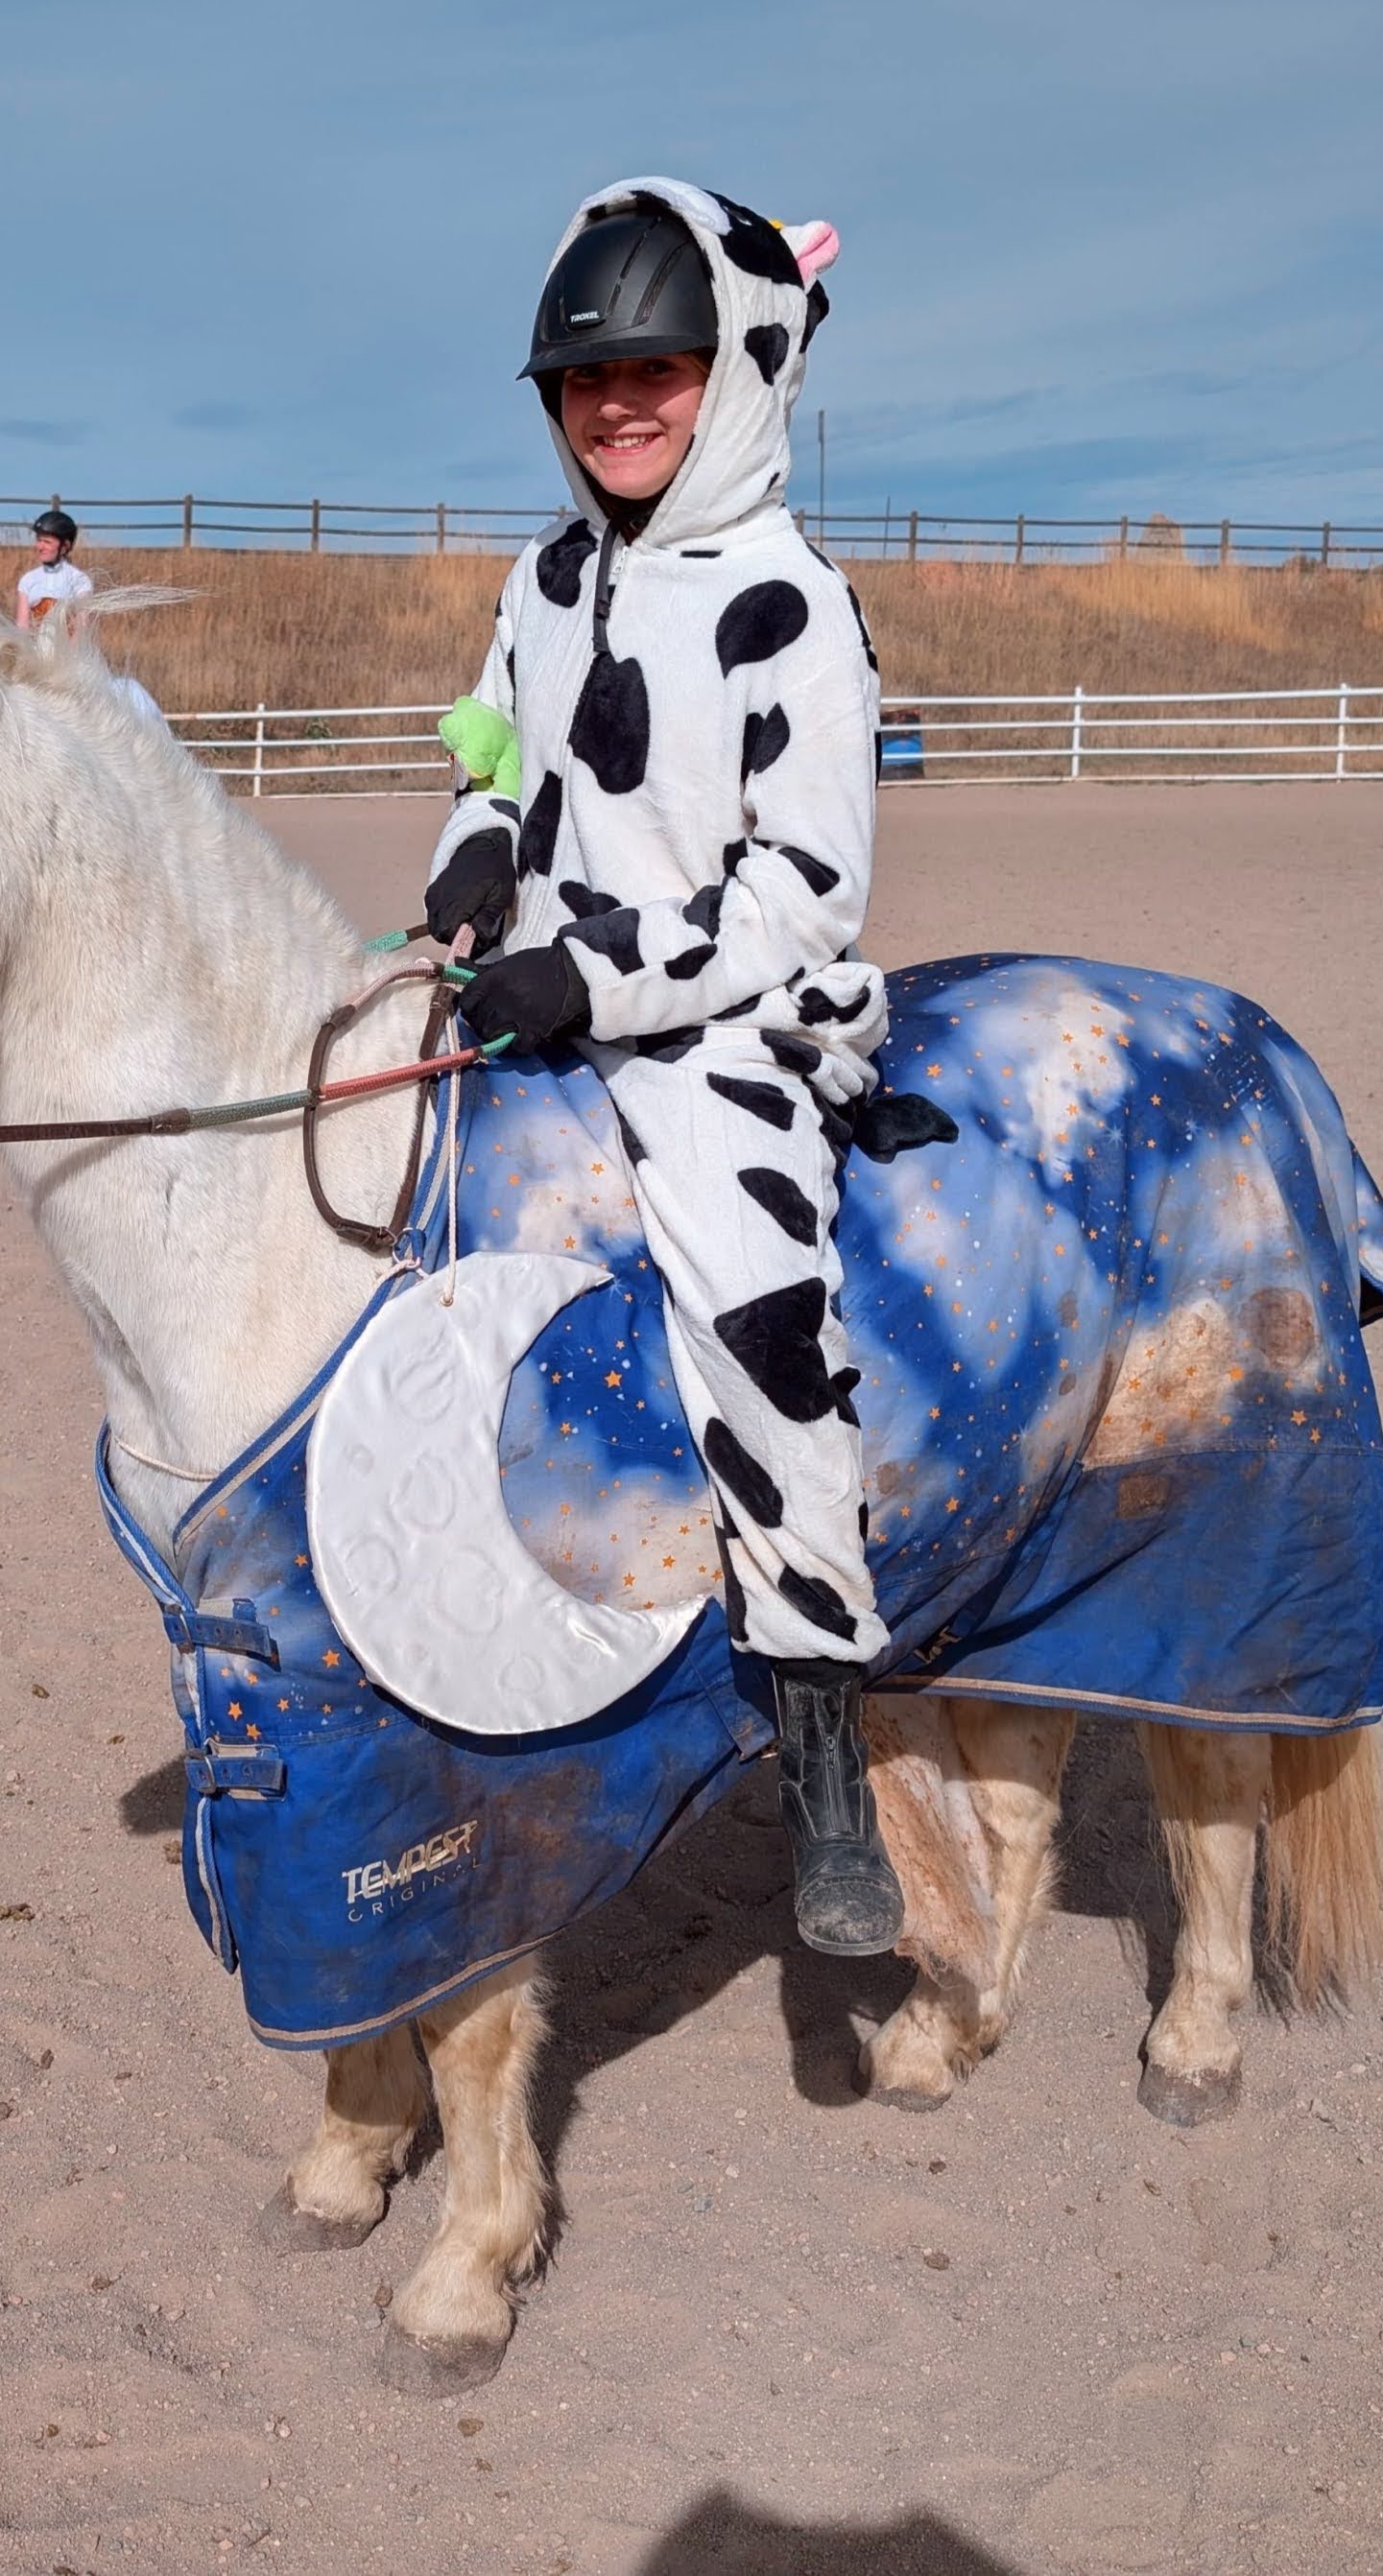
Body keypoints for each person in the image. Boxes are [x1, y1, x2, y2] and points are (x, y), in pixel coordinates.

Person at [430, 180, 904, 1956]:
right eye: (584, 379)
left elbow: (802, 890)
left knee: (755, 1314)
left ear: (736, 373)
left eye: (656, 367)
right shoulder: (540, 576)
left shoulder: (789, 600)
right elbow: (491, 739)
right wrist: (474, 851)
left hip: (708, 1035)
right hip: (527, 980)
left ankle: (821, 1737)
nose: (617, 404)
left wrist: (597, 975)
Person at [15, 508, 93, 631]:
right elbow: (22, 626)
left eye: (47, 542)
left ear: (64, 546)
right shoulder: (28, 580)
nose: (40, 547)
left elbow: (82, 628)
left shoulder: (80, 580)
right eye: (39, 540)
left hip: (67, 649)